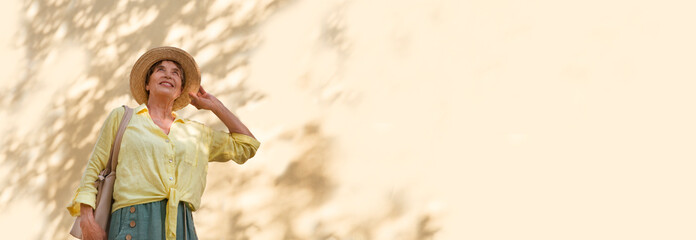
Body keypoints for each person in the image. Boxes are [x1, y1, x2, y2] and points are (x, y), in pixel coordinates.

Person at [67, 47, 260, 240]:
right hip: (132, 224)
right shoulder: (123, 117)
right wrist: (86, 220)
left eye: (176, 73)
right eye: (160, 70)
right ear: (147, 84)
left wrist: (215, 106)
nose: (168, 75)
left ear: (181, 91)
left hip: (182, 227)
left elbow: (247, 146)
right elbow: (93, 169)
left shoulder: (196, 132)